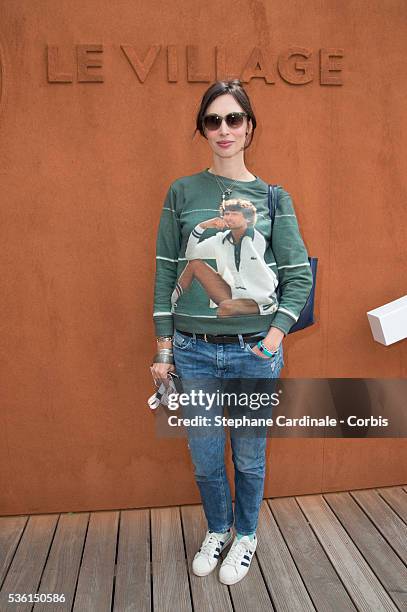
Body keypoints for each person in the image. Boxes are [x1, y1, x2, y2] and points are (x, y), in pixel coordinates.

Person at [151, 79, 313, 585]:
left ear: (249, 128)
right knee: (204, 458)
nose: (223, 129)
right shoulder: (182, 192)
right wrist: (163, 347)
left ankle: (246, 535)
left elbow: (297, 273)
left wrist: (277, 334)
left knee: (247, 456)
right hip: (193, 352)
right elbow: (164, 269)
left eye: (233, 119)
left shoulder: (272, 197)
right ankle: (217, 528)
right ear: (202, 128)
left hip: (252, 350)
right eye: (213, 120)